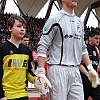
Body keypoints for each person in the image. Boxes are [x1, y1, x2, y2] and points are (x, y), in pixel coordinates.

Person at [37, 0, 99, 100]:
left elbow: (82, 48)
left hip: (75, 69)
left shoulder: (80, 22)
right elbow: (43, 45)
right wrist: (41, 71)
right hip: (58, 68)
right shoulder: (55, 19)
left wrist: (90, 68)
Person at [0, 14, 51, 100]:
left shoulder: (27, 51)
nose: (22, 29)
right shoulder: (2, 49)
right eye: (19, 26)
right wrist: (1, 95)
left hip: (23, 94)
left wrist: (37, 80)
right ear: (10, 28)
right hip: (7, 95)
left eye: (24, 27)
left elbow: (27, 72)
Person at [79, 28, 100, 100]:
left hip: (94, 81)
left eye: (99, 39)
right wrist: (87, 74)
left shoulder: (97, 50)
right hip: (84, 81)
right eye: (96, 38)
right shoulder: (84, 49)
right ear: (90, 38)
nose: (98, 40)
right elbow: (79, 64)